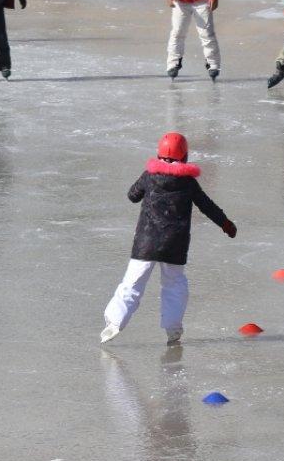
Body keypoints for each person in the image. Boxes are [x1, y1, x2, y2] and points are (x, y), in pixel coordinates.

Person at [100, 133, 237, 346]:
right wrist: (225, 223)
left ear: (159, 153)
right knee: (174, 285)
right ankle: (173, 328)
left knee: (132, 283)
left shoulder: (149, 176)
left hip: (145, 242)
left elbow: (132, 195)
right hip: (175, 244)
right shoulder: (188, 183)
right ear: (185, 156)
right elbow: (207, 206)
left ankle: (115, 322)